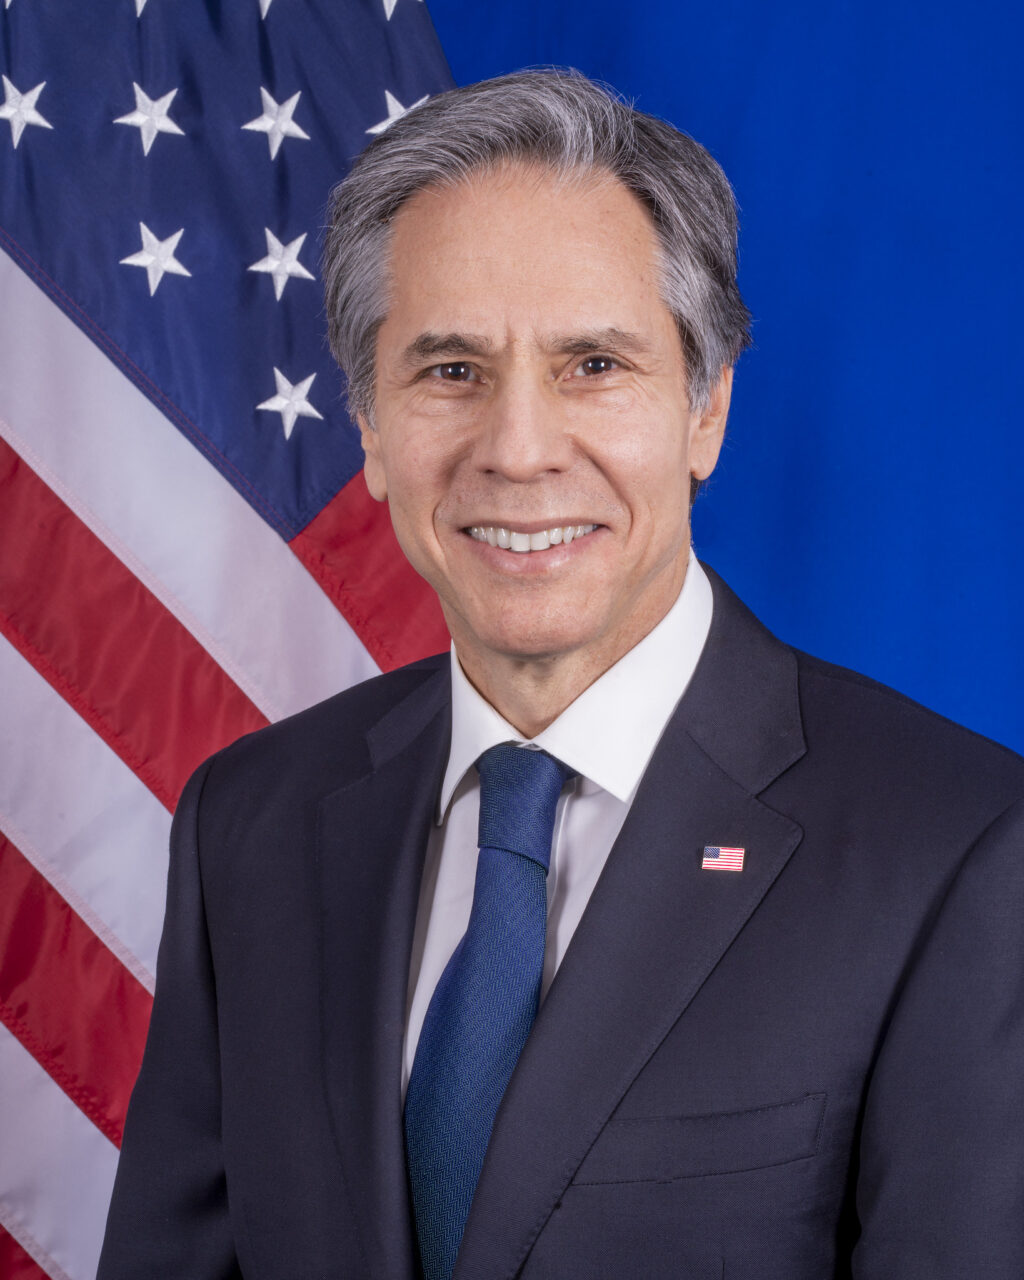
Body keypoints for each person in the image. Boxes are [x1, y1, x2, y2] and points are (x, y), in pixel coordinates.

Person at [98, 70, 1024, 1279]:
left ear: (706, 409)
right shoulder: (250, 822)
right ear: (369, 430)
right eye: (448, 371)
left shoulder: (954, 848)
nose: (519, 449)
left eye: (593, 364)